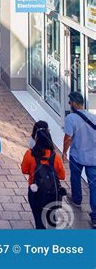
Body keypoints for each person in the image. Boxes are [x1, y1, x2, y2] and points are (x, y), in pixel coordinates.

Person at [63, 91, 96, 228]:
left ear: (74, 103)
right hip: (93, 157)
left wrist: (64, 152)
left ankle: (76, 199)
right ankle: (95, 217)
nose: (69, 104)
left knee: (75, 178)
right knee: (94, 186)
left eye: (70, 102)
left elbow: (68, 138)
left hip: (77, 155)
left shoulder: (71, 118)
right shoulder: (94, 117)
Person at [21, 127, 65, 229]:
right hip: (52, 194)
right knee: (51, 218)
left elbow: (24, 170)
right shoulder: (55, 157)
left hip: (35, 191)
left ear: (36, 140)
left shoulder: (29, 154)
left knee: (38, 219)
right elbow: (62, 176)